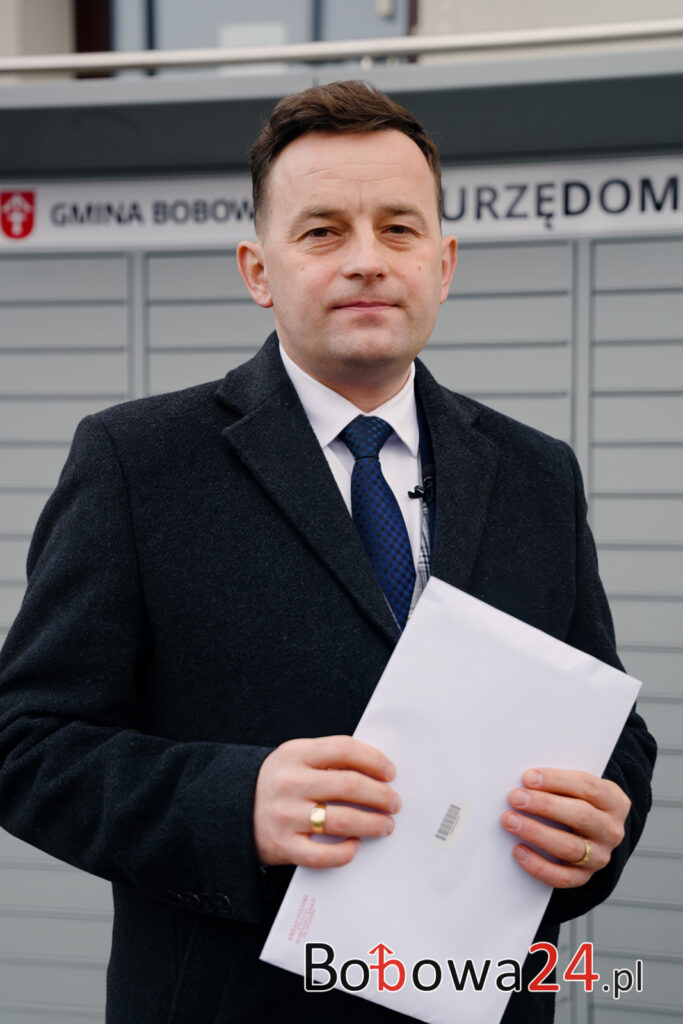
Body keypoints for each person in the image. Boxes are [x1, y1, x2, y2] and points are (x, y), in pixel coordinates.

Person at [0, 81, 655, 1024]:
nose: (366, 260)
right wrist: (236, 802)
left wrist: (599, 825)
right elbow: (28, 746)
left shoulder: (536, 472)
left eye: (398, 228)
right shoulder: (136, 462)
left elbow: (611, 726)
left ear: (443, 262)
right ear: (257, 269)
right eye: (321, 231)